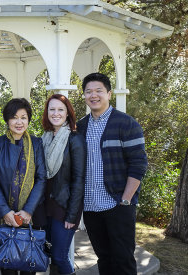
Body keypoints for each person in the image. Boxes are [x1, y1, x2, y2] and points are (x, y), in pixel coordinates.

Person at [77, 73, 148, 275]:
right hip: (91, 206)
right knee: (104, 259)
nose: (94, 95)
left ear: (109, 93)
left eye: (99, 90)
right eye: (89, 91)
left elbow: (139, 163)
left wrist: (126, 199)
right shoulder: (80, 127)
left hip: (117, 203)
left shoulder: (126, 123)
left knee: (123, 259)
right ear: (84, 96)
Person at [0, 98, 46, 275]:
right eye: (14, 117)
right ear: (7, 119)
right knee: (7, 267)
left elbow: (41, 178)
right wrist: (5, 212)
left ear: (29, 119)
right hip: (6, 215)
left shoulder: (36, 144)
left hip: (31, 215)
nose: (19, 122)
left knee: (29, 266)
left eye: (24, 117)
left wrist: (28, 210)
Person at [41, 94, 86, 275]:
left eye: (61, 109)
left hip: (64, 206)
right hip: (45, 206)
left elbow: (79, 179)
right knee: (50, 253)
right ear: (47, 112)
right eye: (52, 109)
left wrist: (72, 215)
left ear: (68, 113)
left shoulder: (75, 139)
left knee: (60, 256)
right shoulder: (45, 137)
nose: (56, 113)